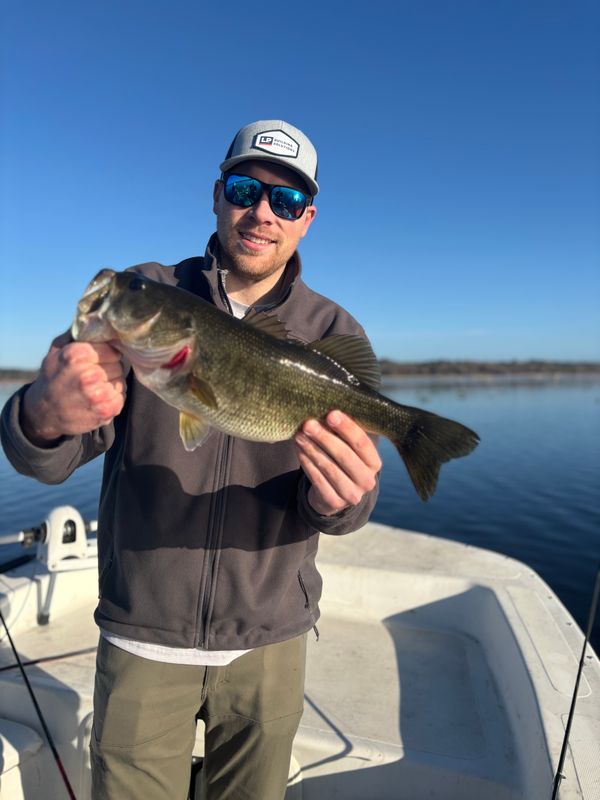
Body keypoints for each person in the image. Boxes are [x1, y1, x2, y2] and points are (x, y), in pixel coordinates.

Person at [1, 120, 382, 800]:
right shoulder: (143, 294)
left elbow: (345, 505)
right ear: (217, 196)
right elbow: (48, 459)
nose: (262, 213)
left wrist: (340, 500)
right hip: (143, 636)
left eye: (286, 201)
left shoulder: (333, 335)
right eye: (245, 189)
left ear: (307, 220)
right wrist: (41, 414)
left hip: (268, 643)